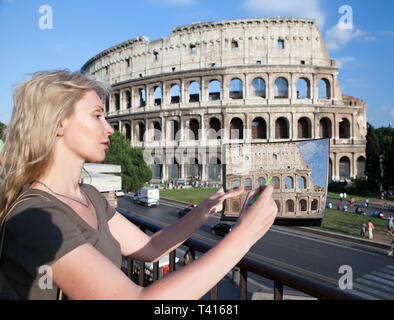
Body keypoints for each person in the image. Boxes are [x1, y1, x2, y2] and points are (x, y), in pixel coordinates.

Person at [0, 70, 277, 300]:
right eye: (97, 116)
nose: (109, 128)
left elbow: (150, 247)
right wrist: (244, 235)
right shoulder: (34, 218)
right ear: (59, 123)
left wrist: (202, 211)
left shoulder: (89, 196)